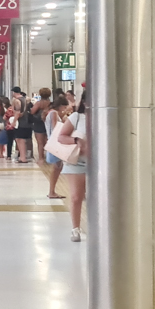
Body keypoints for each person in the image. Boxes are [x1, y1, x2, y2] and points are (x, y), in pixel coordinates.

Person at [58, 91, 87, 242]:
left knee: (97, 198)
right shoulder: (77, 117)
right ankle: (75, 228)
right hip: (77, 162)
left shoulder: (107, 117)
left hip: (100, 163)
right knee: (77, 196)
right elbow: (61, 136)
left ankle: (99, 227)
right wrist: (76, 141)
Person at [44, 96, 69, 200]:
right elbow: (55, 128)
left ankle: (52, 191)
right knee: (56, 168)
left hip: (52, 141)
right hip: (55, 142)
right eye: (64, 106)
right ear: (61, 105)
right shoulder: (53, 113)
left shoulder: (51, 113)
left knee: (57, 167)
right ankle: (52, 191)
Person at [30, 88, 52, 161]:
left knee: (40, 143)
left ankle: (41, 158)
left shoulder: (39, 103)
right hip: (48, 122)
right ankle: (48, 157)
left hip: (39, 123)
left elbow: (32, 112)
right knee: (47, 141)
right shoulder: (50, 103)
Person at [13, 91, 33, 163]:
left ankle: (23, 157)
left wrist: (14, 122)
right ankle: (24, 156)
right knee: (24, 140)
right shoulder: (27, 100)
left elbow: (18, 112)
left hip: (21, 123)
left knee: (20, 140)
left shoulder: (17, 101)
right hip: (28, 123)